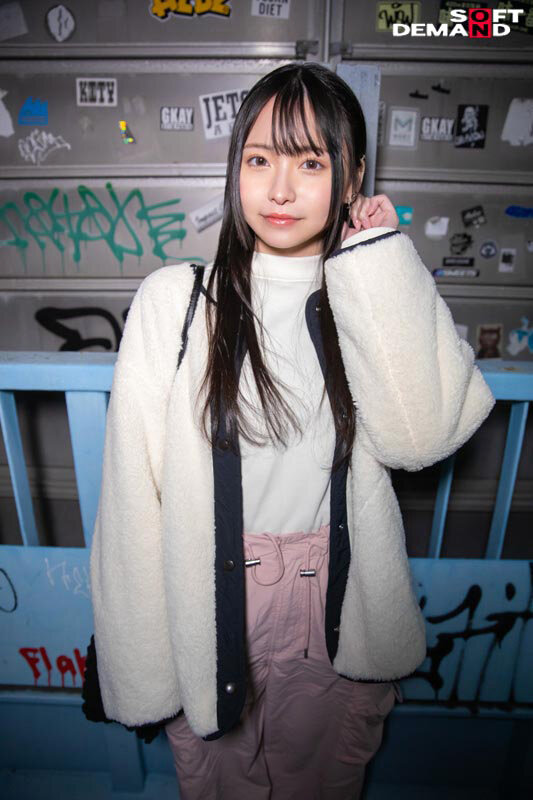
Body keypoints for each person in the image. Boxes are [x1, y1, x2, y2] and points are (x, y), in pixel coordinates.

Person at [87, 62, 495, 799]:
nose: (279, 189)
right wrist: (139, 665)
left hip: (334, 596)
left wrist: (378, 258)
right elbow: (131, 499)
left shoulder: (368, 291)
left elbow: (418, 436)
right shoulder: (174, 301)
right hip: (206, 592)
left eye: (310, 162)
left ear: (352, 175)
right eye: (259, 159)